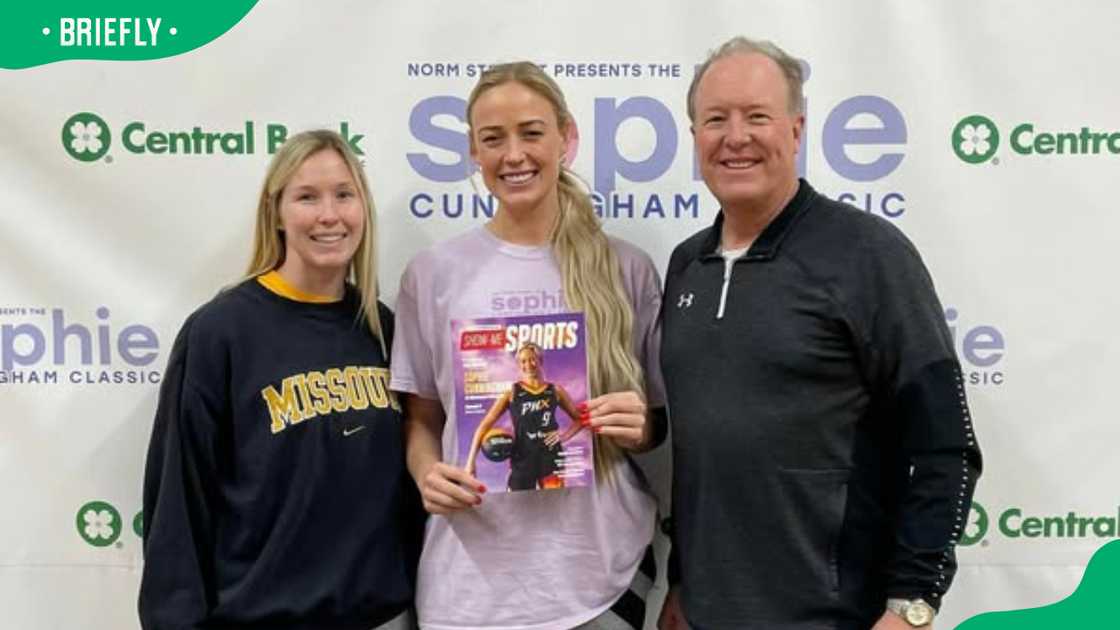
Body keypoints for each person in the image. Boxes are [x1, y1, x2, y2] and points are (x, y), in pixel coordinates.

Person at [657, 37, 983, 630]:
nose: (736, 137)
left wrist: (913, 603)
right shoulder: (687, 266)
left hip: (835, 616)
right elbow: (703, 451)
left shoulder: (868, 254)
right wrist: (681, 581)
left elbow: (947, 446)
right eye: (716, 119)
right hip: (704, 614)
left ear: (797, 129)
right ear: (695, 135)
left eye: (757, 116)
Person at [390, 61, 667, 630]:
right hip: (469, 591)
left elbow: (657, 425)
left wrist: (636, 428)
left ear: (566, 138)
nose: (513, 155)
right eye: (493, 139)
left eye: (531, 132)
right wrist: (427, 473)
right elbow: (421, 419)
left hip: (598, 580)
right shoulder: (433, 273)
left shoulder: (627, 268)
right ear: (474, 151)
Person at [139, 130, 420, 630]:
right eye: (307, 197)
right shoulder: (221, 332)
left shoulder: (381, 329)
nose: (329, 215)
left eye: (344, 194)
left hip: (379, 618)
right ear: (276, 212)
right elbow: (179, 499)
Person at [465, 341, 584, 491]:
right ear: (519, 365)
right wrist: (471, 461)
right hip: (522, 458)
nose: (528, 364)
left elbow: (580, 419)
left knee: (555, 502)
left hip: (551, 457)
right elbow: (483, 426)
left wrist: (564, 436)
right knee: (518, 503)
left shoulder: (555, 391)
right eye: (523, 361)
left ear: (540, 360)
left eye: (532, 359)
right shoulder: (512, 393)